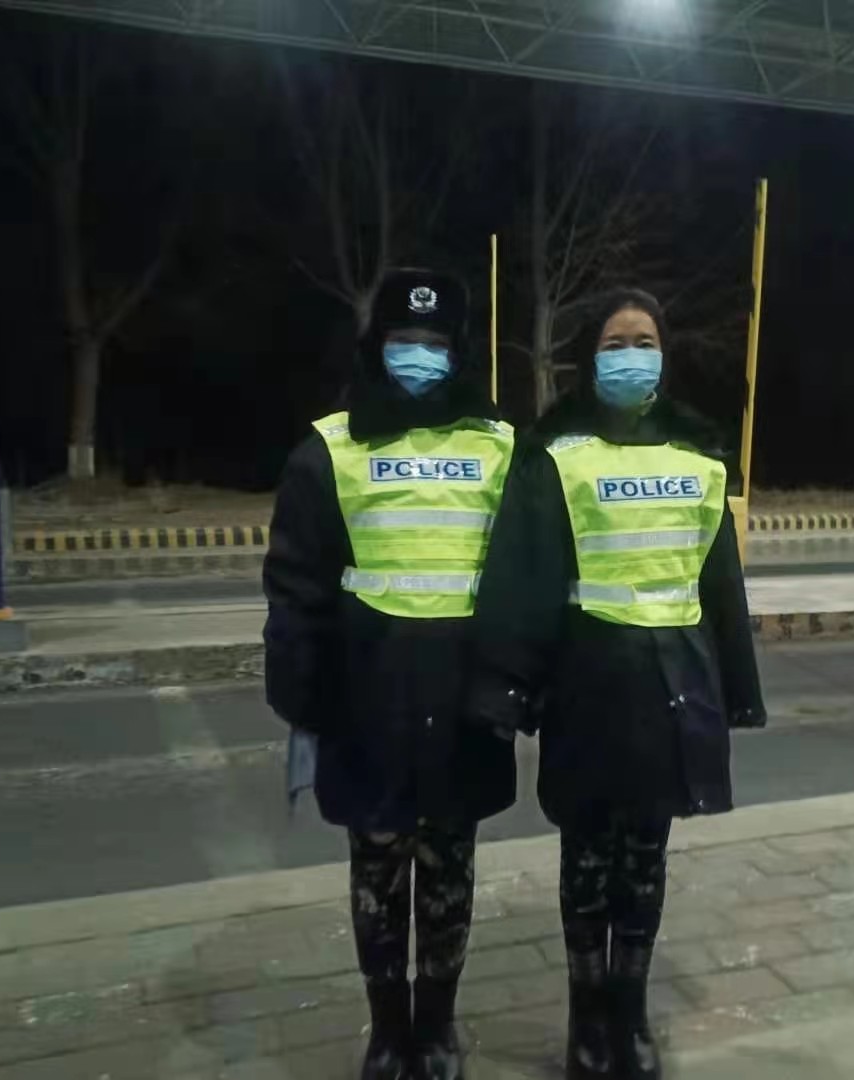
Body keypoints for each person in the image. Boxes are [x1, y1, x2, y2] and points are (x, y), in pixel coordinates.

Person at [466, 288, 765, 1080]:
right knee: (587, 861)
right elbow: (523, 577)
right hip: (589, 686)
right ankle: (586, 1017)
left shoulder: (698, 451)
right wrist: (506, 688)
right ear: (587, 357)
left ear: (664, 353)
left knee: (645, 858)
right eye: (615, 343)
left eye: (644, 341)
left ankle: (629, 1014)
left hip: (674, 684)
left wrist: (737, 686)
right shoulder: (554, 452)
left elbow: (720, 581)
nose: (632, 356)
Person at [264, 269, 518, 1080]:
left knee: (449, 874)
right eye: (405, 340)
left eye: (435, 343)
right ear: (377, 347)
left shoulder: (498, 447)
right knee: (377, 875)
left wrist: (509, 691)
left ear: (459, 352)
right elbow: (295, 589)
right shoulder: (331, 448)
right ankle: (386, 1030)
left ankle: (437, 1028)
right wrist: (304, 699)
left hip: (463, 709)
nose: (419, 355)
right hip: (364, 708)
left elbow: (521, 580)